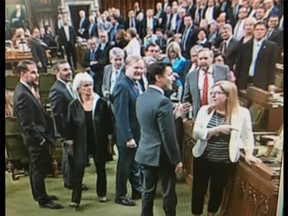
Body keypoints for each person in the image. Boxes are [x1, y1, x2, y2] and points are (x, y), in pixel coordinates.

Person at [191, 80, 262, 216]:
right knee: (198, 190)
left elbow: (247, 135)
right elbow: (196, 133)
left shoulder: (242, 113)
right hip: (203, 157)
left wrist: (248, 153)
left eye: (218, 93)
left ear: (228, 96)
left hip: (224, 161)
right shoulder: (204, 110)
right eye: (212, 93)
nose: (214, 96)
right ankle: (196, 214)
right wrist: (216, 130)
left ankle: (211, 213)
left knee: (217, 190)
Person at [135, 62, 184, 216]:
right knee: (169, 192)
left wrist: (173, 116)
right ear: (158, 78)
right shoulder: (163, 102)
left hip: (145, 151)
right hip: (163, 154)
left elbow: (151, 125)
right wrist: (177, 159)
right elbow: (168, 136)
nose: (173, 78)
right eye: (169, 75)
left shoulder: (141, 97)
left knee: (147, 192)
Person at [13, 60, 63, 209]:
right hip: (36, 140)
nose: (37, 76)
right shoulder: (22, 94)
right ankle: (43, 200)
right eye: (33, 72)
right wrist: (40, 140)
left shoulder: (27, 89)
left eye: (37, 72)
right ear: (23, 74)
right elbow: (27, 125)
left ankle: (39, 194)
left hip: (38, 137)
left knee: (36, 168)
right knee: (38, 170)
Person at [65, 72, 113, 207]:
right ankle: (75, 199)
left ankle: (102, 193)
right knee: (78, 170)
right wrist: (70, 143)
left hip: (99, 141)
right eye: (85, 86)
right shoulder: (73, 105)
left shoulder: (101, 103)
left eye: (90, 85)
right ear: (79, 89)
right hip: (81, 142)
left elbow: (109, 123)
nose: (89, 88)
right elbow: (69, 126)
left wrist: (110, 141)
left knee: (101, 168)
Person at [49, 60, 89, 191]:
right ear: (56, 72)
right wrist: (64, 136)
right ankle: (70, 183)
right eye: (65, 70)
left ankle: (73, 181)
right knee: (69, 158)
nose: (69, 72)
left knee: (72, 158)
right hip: (67, 131)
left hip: (73, 129)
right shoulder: (56, 90)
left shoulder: (66, 86)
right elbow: (58, 115)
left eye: (69, 69)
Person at [112, 55, 144, 206]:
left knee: (134, 165)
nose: (139, 71)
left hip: (136, 133)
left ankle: (137, 191)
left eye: (141, 68)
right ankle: (120, 195)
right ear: (127, 68)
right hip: (127, 135)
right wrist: (127, 137)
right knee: (124, 166)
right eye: (136, 68)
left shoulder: (134, 84)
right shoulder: (122, 86)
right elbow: (121, 115)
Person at [182, 48, 230, 120]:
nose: (203, 61)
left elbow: (230, 93)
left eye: (205, 58)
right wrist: (185, 117)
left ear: (211, 59)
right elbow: (186, 99)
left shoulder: (223, 70)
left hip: (220, 114)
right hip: (199, 116)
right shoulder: (191, 76)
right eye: (200, 59)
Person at [234, 21, 277, 91]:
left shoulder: (271, 46)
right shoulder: (245, 46)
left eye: (262, 29)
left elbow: (271, 66)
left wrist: (271, 83)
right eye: (257, 29)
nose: (259, 32)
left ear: (266, 31)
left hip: (260, 81)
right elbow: (239, 64)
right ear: (253, 31)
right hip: (244, 80)